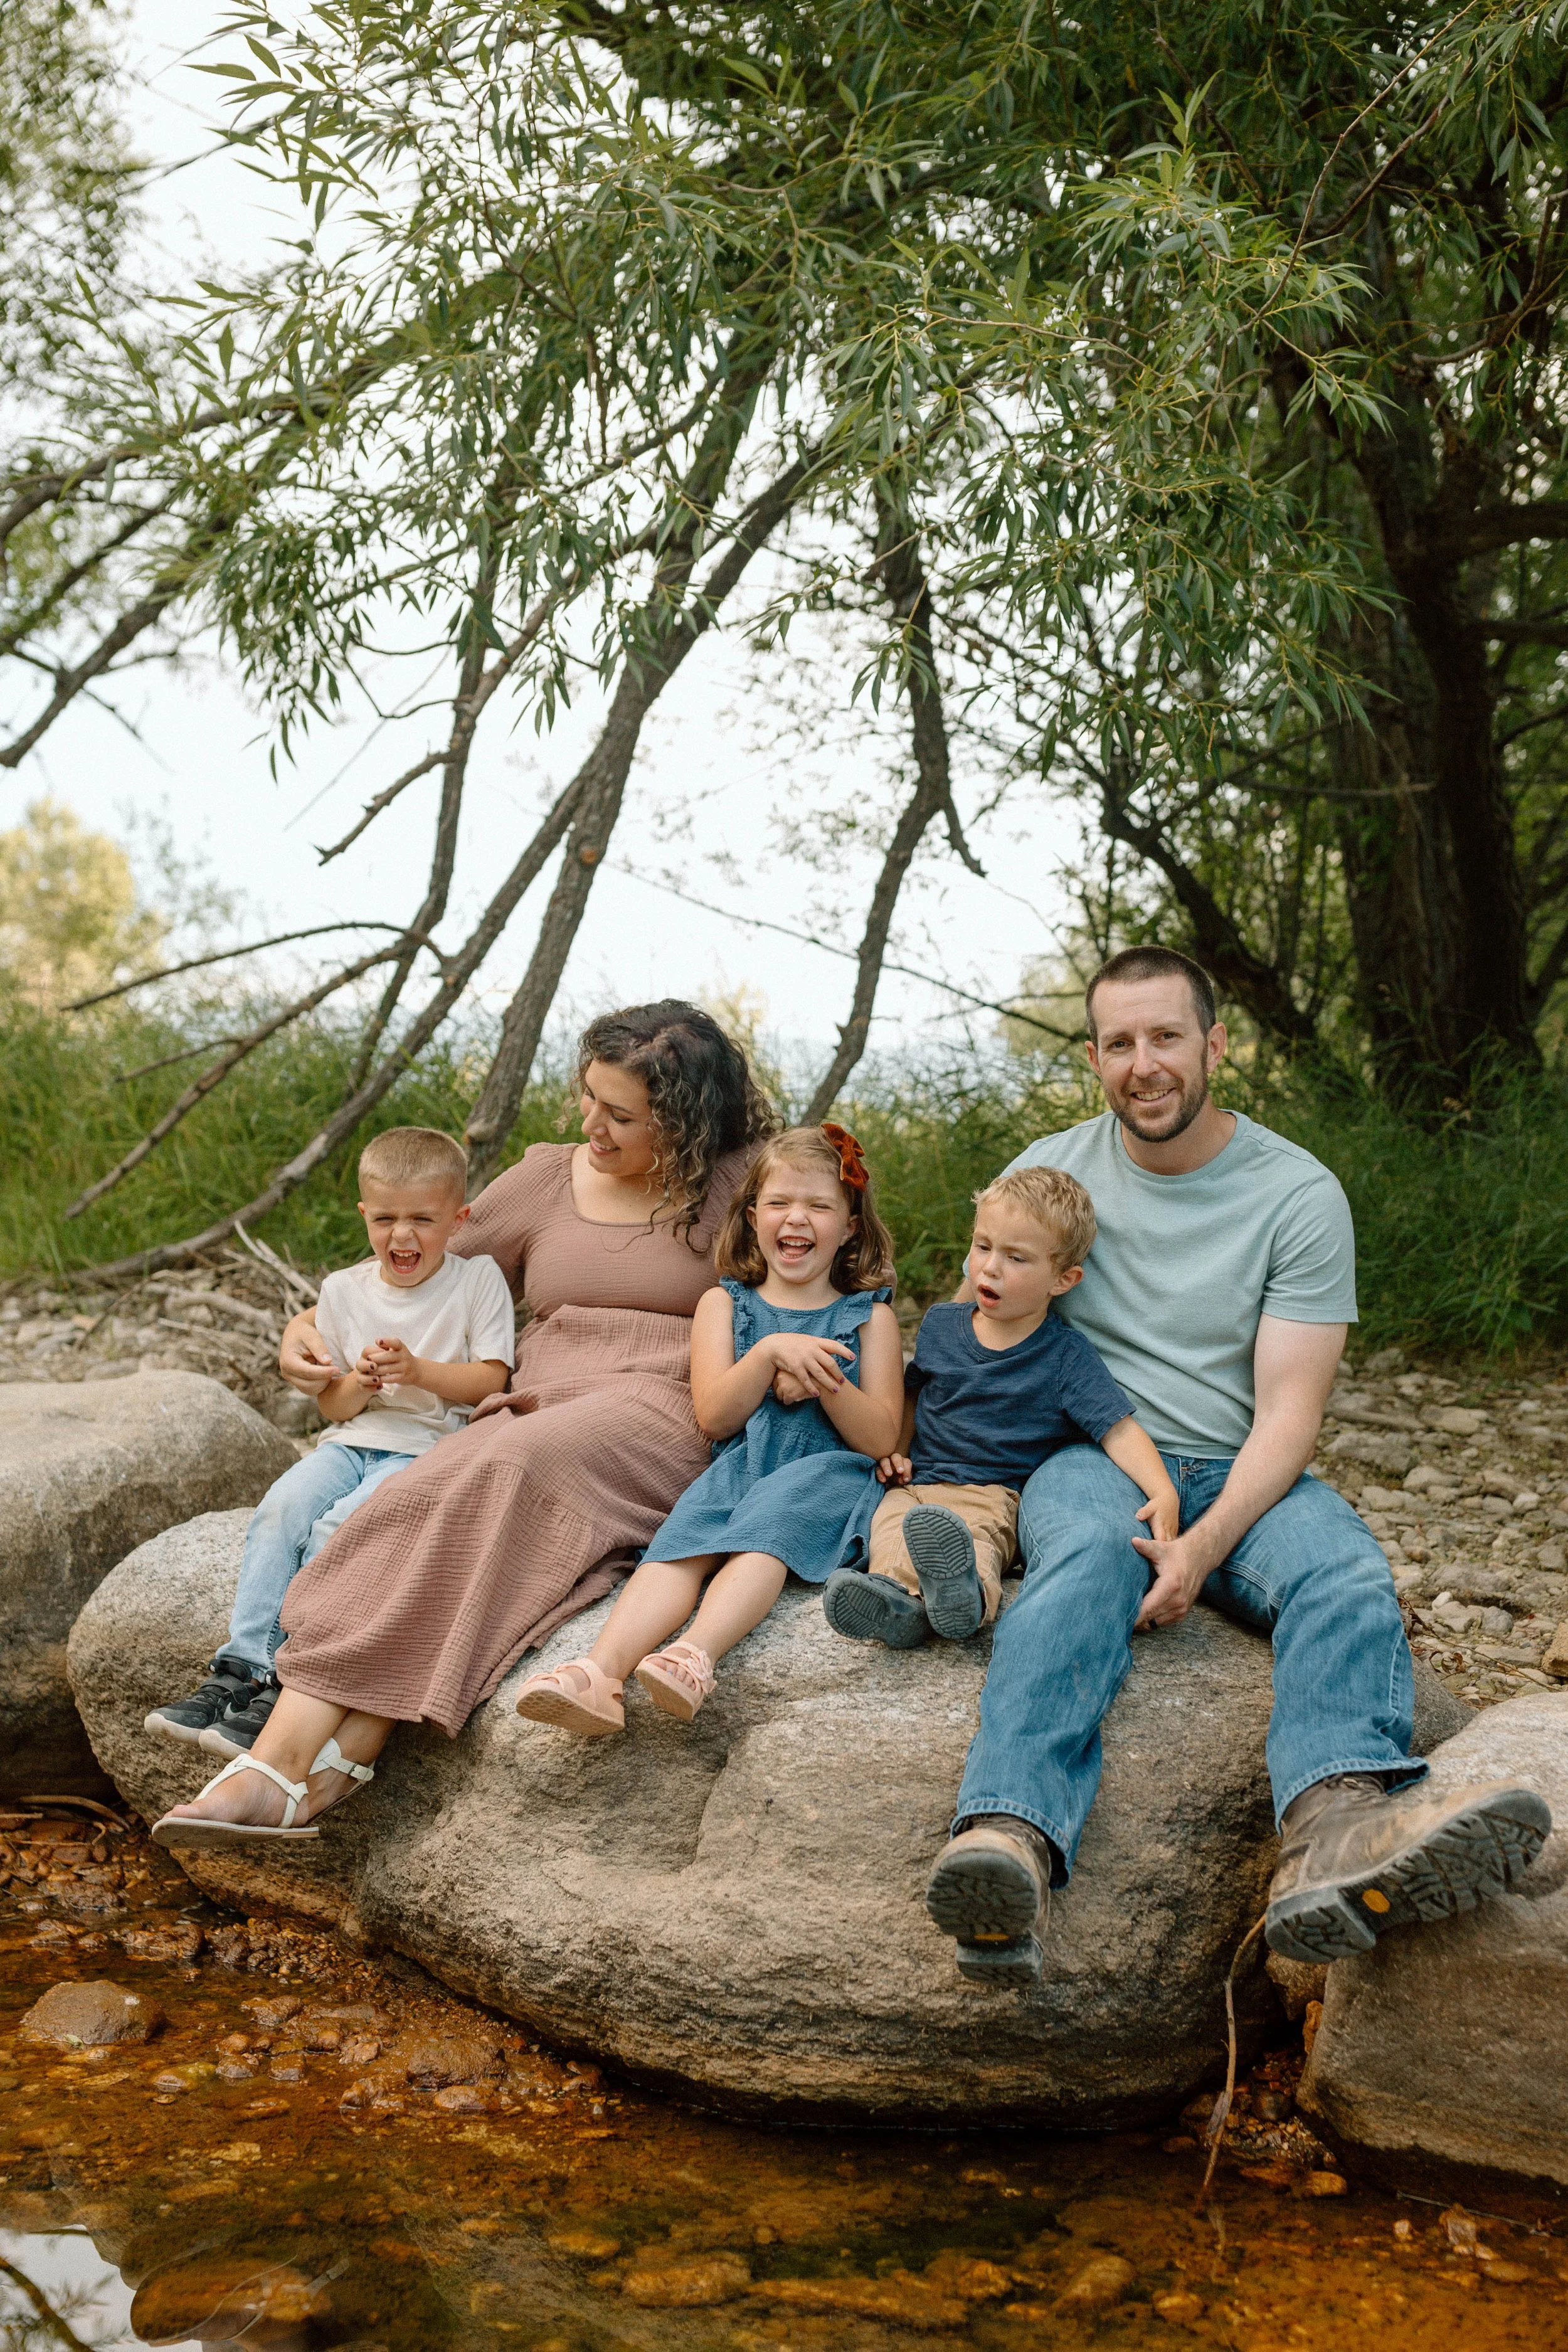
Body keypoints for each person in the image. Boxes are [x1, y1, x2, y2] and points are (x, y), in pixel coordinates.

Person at [919, 945, 1552, 1988]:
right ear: (1095, 1057)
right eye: (1120, 1043)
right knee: (1081, 1556)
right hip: (1093, 1459)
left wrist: (1204, 1546)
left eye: (1166, 1036)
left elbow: (1290, 1414)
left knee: (1341, 1569)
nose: (1144, 1064)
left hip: (1243, 1466)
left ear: (1214, 1044)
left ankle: (1334, 1833)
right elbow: (981, 1334)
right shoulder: (1055, 1173)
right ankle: (1005, 1838)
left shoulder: (1297, 1193)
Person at [149, 1000, 775, 1849]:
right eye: (590, 1098)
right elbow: (415, 1260)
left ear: (687, 1119)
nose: (592, 1124)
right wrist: (313, 1324)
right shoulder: (550, 1176)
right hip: (538, 1395)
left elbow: (844, 1277)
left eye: (621, 1115)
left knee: (510, 1462)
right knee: (425, 1486)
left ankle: (282, 1763)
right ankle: (311, 1761)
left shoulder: (748, 1184)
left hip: (662, 1400)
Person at [516, 1124, 903, 1734]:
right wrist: (770, 1353)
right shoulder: (724, 1305)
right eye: (779, 1203)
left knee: (767, 1531)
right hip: (741, 1464)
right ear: (752, 1217)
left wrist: (826, 1379)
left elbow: (881, 1438)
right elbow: (716, 1415)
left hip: (827, 1474)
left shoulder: (868, 1318)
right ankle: (600, 1674)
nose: (795, 1218)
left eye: (818, 1206)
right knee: (681, 1544)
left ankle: (696, 1653)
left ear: (851, 1225)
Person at [144, 1127, 513, 1759]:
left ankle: (289, 1679)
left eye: (423, 1219)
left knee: (336, 1529)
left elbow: (492, 1378)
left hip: (427, 1450)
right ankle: (238, 1670)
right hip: (353, 1438)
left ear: (458, 1219)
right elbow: (331, 1406)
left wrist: (419, 1371)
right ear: (365, 1215)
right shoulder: (345, 1289)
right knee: (281, 1512)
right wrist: (359, 1383)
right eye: (388, 1218)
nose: (404, 1235)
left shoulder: (476, 1280)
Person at [821, 1164, 1178, 1648]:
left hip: (995, 1492)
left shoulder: (1064, 1356)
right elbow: (913, 1394)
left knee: (978, 1541)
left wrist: (1162, 1490)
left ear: (1063, 1279)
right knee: (892, 1526)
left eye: (1016, 1258)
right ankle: (896, 1604)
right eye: (983, 1246)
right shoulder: (942, 1326)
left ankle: (968, 1599)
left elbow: (1118, 1428)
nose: (989, 1267)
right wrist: (898, 1451)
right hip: (921, 1481)